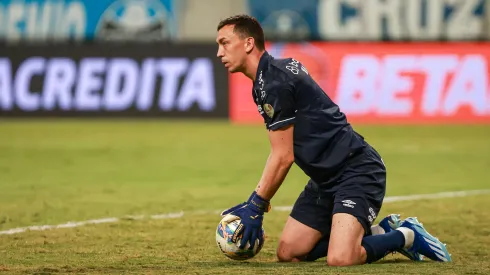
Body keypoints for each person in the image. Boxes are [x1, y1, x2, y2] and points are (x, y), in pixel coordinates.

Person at [216, 14, 452, 265]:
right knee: (290, 252)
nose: (219, 52)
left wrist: (256, 205)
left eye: (225, 43)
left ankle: (406, 236)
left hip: (356, 170)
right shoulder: (270, 77)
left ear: (249, 43)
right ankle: (378, 233)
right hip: (324, 179)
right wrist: (257, 203)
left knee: (341, 258)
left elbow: (283, 156)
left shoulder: (274, 82)